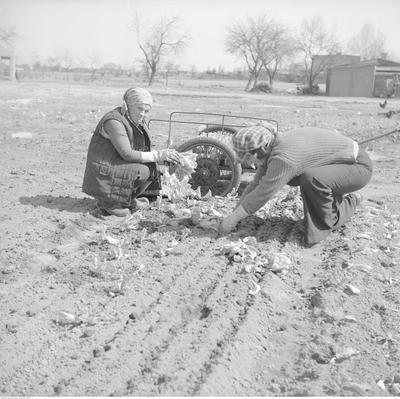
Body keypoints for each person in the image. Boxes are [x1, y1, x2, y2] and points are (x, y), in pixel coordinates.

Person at [219, 124, 373, 246]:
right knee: (311, 179)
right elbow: (256, 184)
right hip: (340, 167)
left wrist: (232, 220)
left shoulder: (283, 158)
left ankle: (346, 206)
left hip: (358, 167)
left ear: (261, 149)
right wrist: (234, 215)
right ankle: (335, 205)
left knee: (312, 179)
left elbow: (263, 193)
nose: (249, 162)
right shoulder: (272, 147)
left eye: (249, 157)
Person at [82, 87, 180, 217]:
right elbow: (127, 153)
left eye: (146, 111)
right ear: (128, 106)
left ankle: (125, 200)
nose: (142, 114)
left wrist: (161, 158)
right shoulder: (114, 121)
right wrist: (158, 155)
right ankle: (109, 202)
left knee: (152, 167)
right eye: (139, 109)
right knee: (143, 171)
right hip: (103, 169)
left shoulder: (133, 120)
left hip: (115, 162)